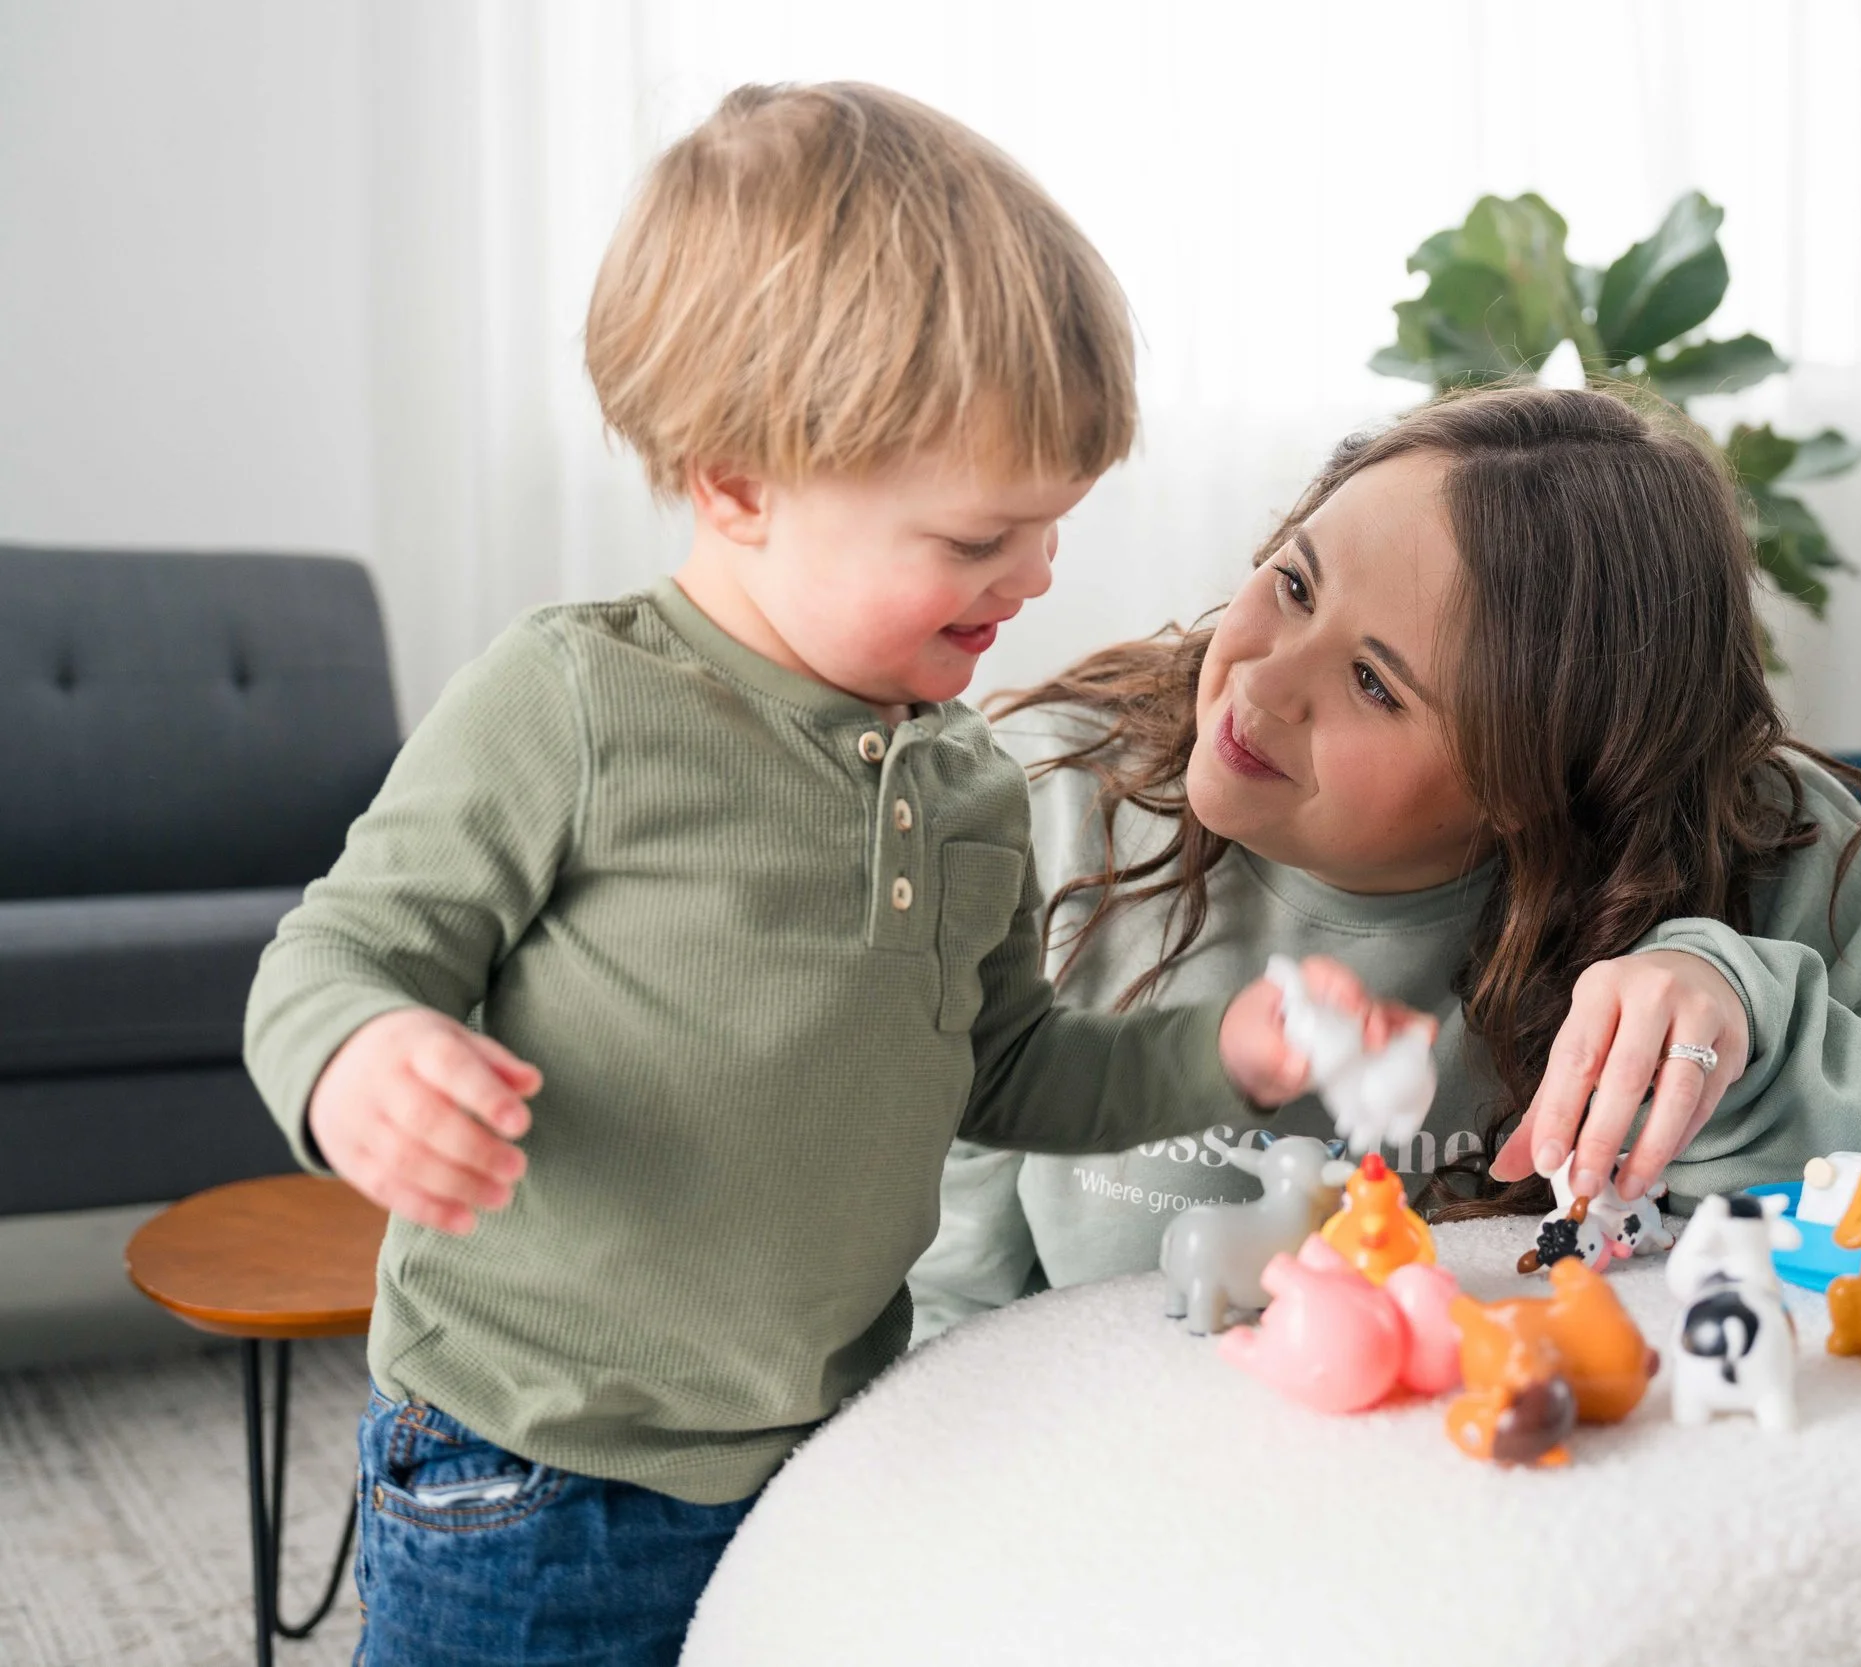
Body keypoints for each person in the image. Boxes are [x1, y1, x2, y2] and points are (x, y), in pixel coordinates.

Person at [241, 83, 1409, 1665]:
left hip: (829, 1448)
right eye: (977, 537)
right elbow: (335, 954)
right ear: (737, 484)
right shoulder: (574, 701)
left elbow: (1007, 1069)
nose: (1037, 575)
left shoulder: (970, 779)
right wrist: (360, 1055)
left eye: (1054, 525)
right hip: (536, 1472)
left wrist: (1233, 1052)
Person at [911, 383, 1861, 1343]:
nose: (1261, 679)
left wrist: (1750, 1027)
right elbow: (933, 1303)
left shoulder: (1755, 843)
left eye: (1375, 681)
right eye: (1294, 582)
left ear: (1542, 786)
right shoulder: (1047, 804)